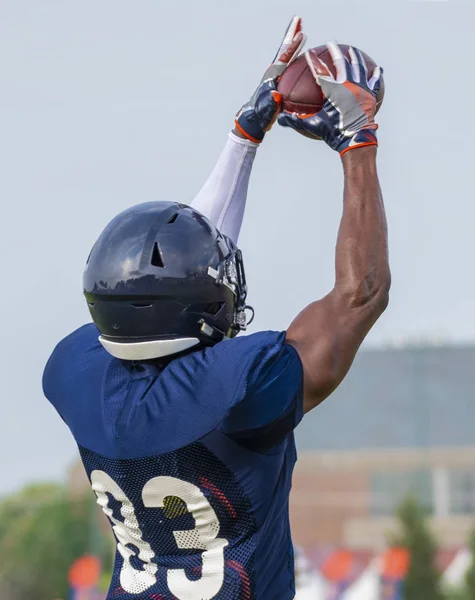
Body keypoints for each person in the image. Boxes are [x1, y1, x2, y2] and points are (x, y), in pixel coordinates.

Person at [43, 16, 390, 600]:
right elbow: (361, 295)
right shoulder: (239, 392)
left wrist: (243, 140)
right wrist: (358, 141)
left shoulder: (74, 373)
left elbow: (170, 278)